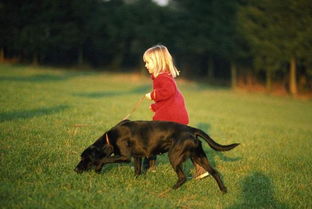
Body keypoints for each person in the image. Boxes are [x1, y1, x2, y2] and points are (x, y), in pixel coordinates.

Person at [143, 44, 209, 179]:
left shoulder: (162, 77)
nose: (146, 65)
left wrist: (153, 95)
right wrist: (155, 107)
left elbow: (168, 92)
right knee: (184, 143)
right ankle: (201, 169)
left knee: (151, 139)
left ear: (158, 62)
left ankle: (149, 166)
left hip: (169, 118)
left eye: (148, 62)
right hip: (177, 116)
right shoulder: (165, 76)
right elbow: (169, 100)